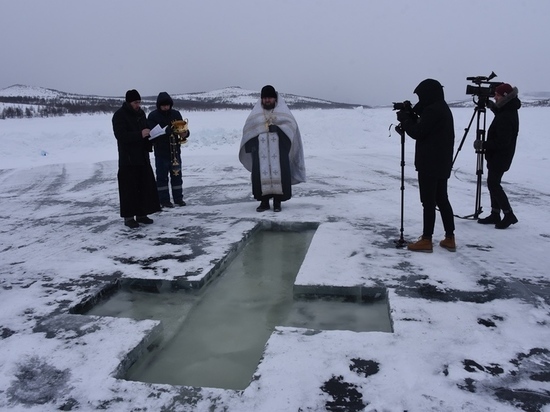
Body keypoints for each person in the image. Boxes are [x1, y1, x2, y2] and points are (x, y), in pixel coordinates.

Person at [396, 79, 456, 252]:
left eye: (421, 96)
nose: (420, 99)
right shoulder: (441, 108)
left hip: (430, 162)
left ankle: (426, 239)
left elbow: (418, 132)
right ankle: (449, 237)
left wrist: (406, 120)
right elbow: (426, 125)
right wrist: (412, 113)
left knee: (428, 201)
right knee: (441, 198)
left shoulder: (433, 110)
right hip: (441, 161)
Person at [239, 85, 306, 212]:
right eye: (264, 98)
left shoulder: (283, 113)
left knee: (280, 174)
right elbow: (249, 130)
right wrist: (251, 146)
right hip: (260, 153)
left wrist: (279, 130)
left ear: (275, 99)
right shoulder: (256, 114)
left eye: (269, 98)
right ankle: (264, 202)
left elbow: (291, 129)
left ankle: (277, 202)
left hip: (279, 151)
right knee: (260, 175)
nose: (267, 100)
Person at [112, 89, 161, 228]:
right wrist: (140, 134)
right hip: (128, 160)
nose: (138, 105)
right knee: (129, 189)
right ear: (128, 102)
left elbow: (145, 131)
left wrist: (151, 136)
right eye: (135, 102)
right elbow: (121, 136)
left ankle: (142, 214)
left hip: (142, 157)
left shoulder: (141, 113)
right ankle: (129, 217)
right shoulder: (119, 116)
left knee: (143, 186)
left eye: (139, 102)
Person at [474, 83, 520, 229]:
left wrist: (483, 144)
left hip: (501, 156)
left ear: (505, 97)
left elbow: (502, 142)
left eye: (497, 95)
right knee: (492, 183)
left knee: (494, 184)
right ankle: (495, 214)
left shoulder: (507, 116)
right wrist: (491, 106)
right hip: (499, 156)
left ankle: (509, 214)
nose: (495, 97)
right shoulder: (508, 109)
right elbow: (500, 114)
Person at [147, 92, 190, 208]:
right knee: (162, 177)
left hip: (175, 151)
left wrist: (185, 133)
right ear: (159, 105)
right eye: (163, 105)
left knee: (177, 176)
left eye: (168, 105)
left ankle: (178, 198)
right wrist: (165, 131)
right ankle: (164, 200)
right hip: (161, 152)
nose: (166, 107)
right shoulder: (153, 116)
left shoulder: (176, 114)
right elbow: (151, 134)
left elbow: (183, 129)